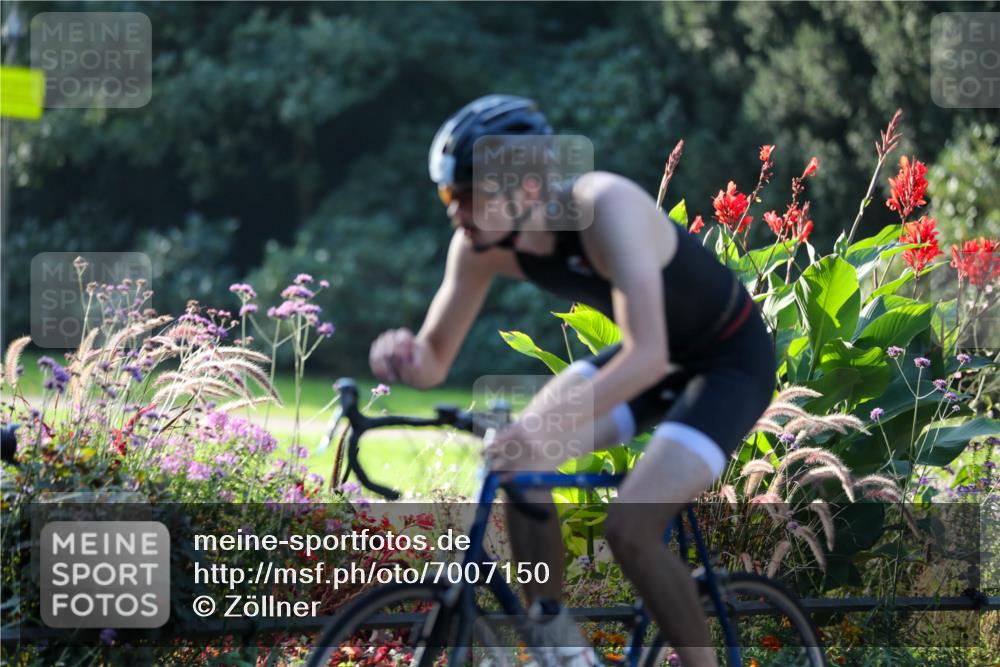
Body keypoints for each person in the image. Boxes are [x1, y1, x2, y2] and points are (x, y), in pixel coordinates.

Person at [369, 94, 776, 667]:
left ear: (528, 189)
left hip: (727, 364)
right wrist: (401, 354)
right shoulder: (479, 247)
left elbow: (648, 355)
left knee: (630, 526)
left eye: (467, 194)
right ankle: (557, 644)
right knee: (512, 459)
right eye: (447, 193)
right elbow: (433, 361)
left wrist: (544, 427)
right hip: (654, 359)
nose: (454, 211)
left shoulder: (605, 208)